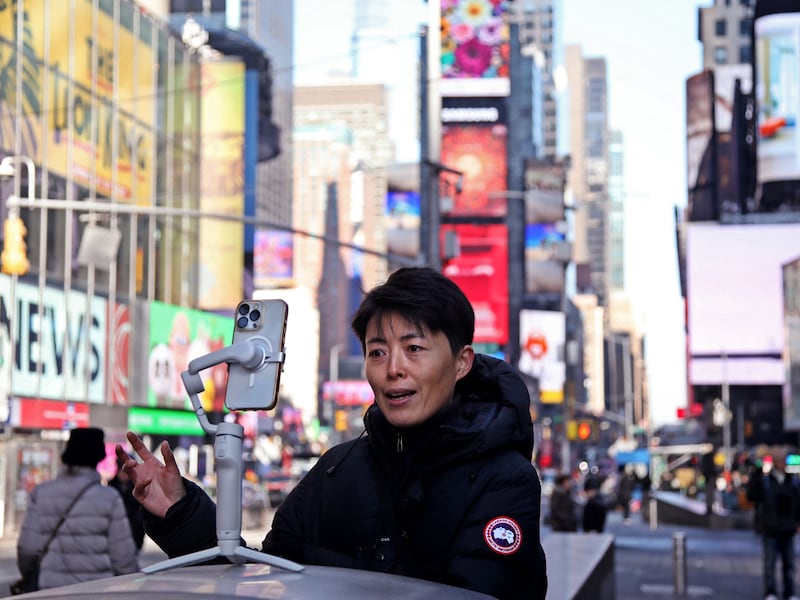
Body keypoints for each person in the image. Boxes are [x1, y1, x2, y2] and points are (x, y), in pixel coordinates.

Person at [117, 266, 548, 599]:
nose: (393, 367)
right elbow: (263, 576)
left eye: (414, 349)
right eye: (377, 351)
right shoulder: (335, 469)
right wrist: (180, 512)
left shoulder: (504, 479)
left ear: (461, 362)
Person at [17, 428, 139, 590]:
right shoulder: (110, 498)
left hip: (50, 591)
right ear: (98, 457)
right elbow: (124, 559)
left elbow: (27, 550)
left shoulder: (42, 493)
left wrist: (29, 573)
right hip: (95, 591)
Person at [746, 448, 800, 600]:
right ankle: (770, 592)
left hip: (788, 529)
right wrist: (757, 469)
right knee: (770, 564)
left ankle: (789, 592)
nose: (782, 463)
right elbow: (752, 495)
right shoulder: (765, 481)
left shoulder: (793, 482)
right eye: (780, 460)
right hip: (770, 528)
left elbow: (797, 504)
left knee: (789, 564)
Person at [109, 454, 146, 553]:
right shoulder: (111, 488)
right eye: (122, 470)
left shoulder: (138, 489)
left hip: (133, 536)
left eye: (127, 471)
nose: (123, 474)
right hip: (113, 536)